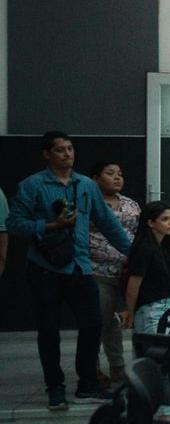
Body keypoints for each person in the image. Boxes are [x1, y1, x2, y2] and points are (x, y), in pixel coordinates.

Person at [7, 131, 132, 409]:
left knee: (92, 324)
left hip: (79, 266)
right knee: (49, 330)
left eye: (70, 148)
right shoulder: (33, 185)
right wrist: (51, 226)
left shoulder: (86, 185)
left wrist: (134, 253)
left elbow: (108, 223)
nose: (67, 154)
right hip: (45, 267)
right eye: (60, 149)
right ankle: (55, 388)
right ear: (47, 154)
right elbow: (14, 223)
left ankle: (87, 384)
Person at [87, 160, 141, 384]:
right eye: (110, 173)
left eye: (120, 173)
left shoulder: (131, 205)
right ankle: (92, 369)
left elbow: (140, 235)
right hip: (97, 271)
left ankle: (120, 367)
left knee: (119, 322)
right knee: (100, 321)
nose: (118, 177)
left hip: (127, 274)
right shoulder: (88, 202)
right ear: (95, 178)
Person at [122, 201, 170, 334]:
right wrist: (130, 312)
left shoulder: (165, 248)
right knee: (155, 345)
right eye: (165, 219)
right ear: (151, 223)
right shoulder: (144, 248)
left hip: (167, 305)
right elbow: (133, 286)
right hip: (151, 309)